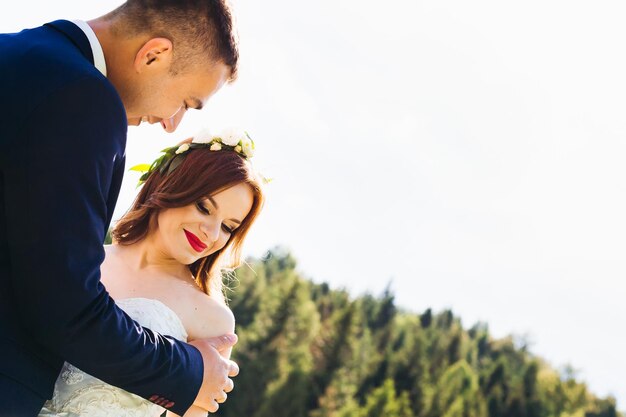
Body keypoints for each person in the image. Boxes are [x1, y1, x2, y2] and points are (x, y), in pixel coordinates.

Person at [0, 1, 242, 415]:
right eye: (186, 100)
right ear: (154, 54)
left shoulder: (14, 53)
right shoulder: (85, 99)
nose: (172, 123)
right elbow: (65, 307)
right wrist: (190, 372)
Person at [39, 129, 265, 416]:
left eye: (228, 227)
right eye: (204, 207)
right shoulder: (83, 258)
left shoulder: (213, 320)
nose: (211, 233)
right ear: (171, 184)